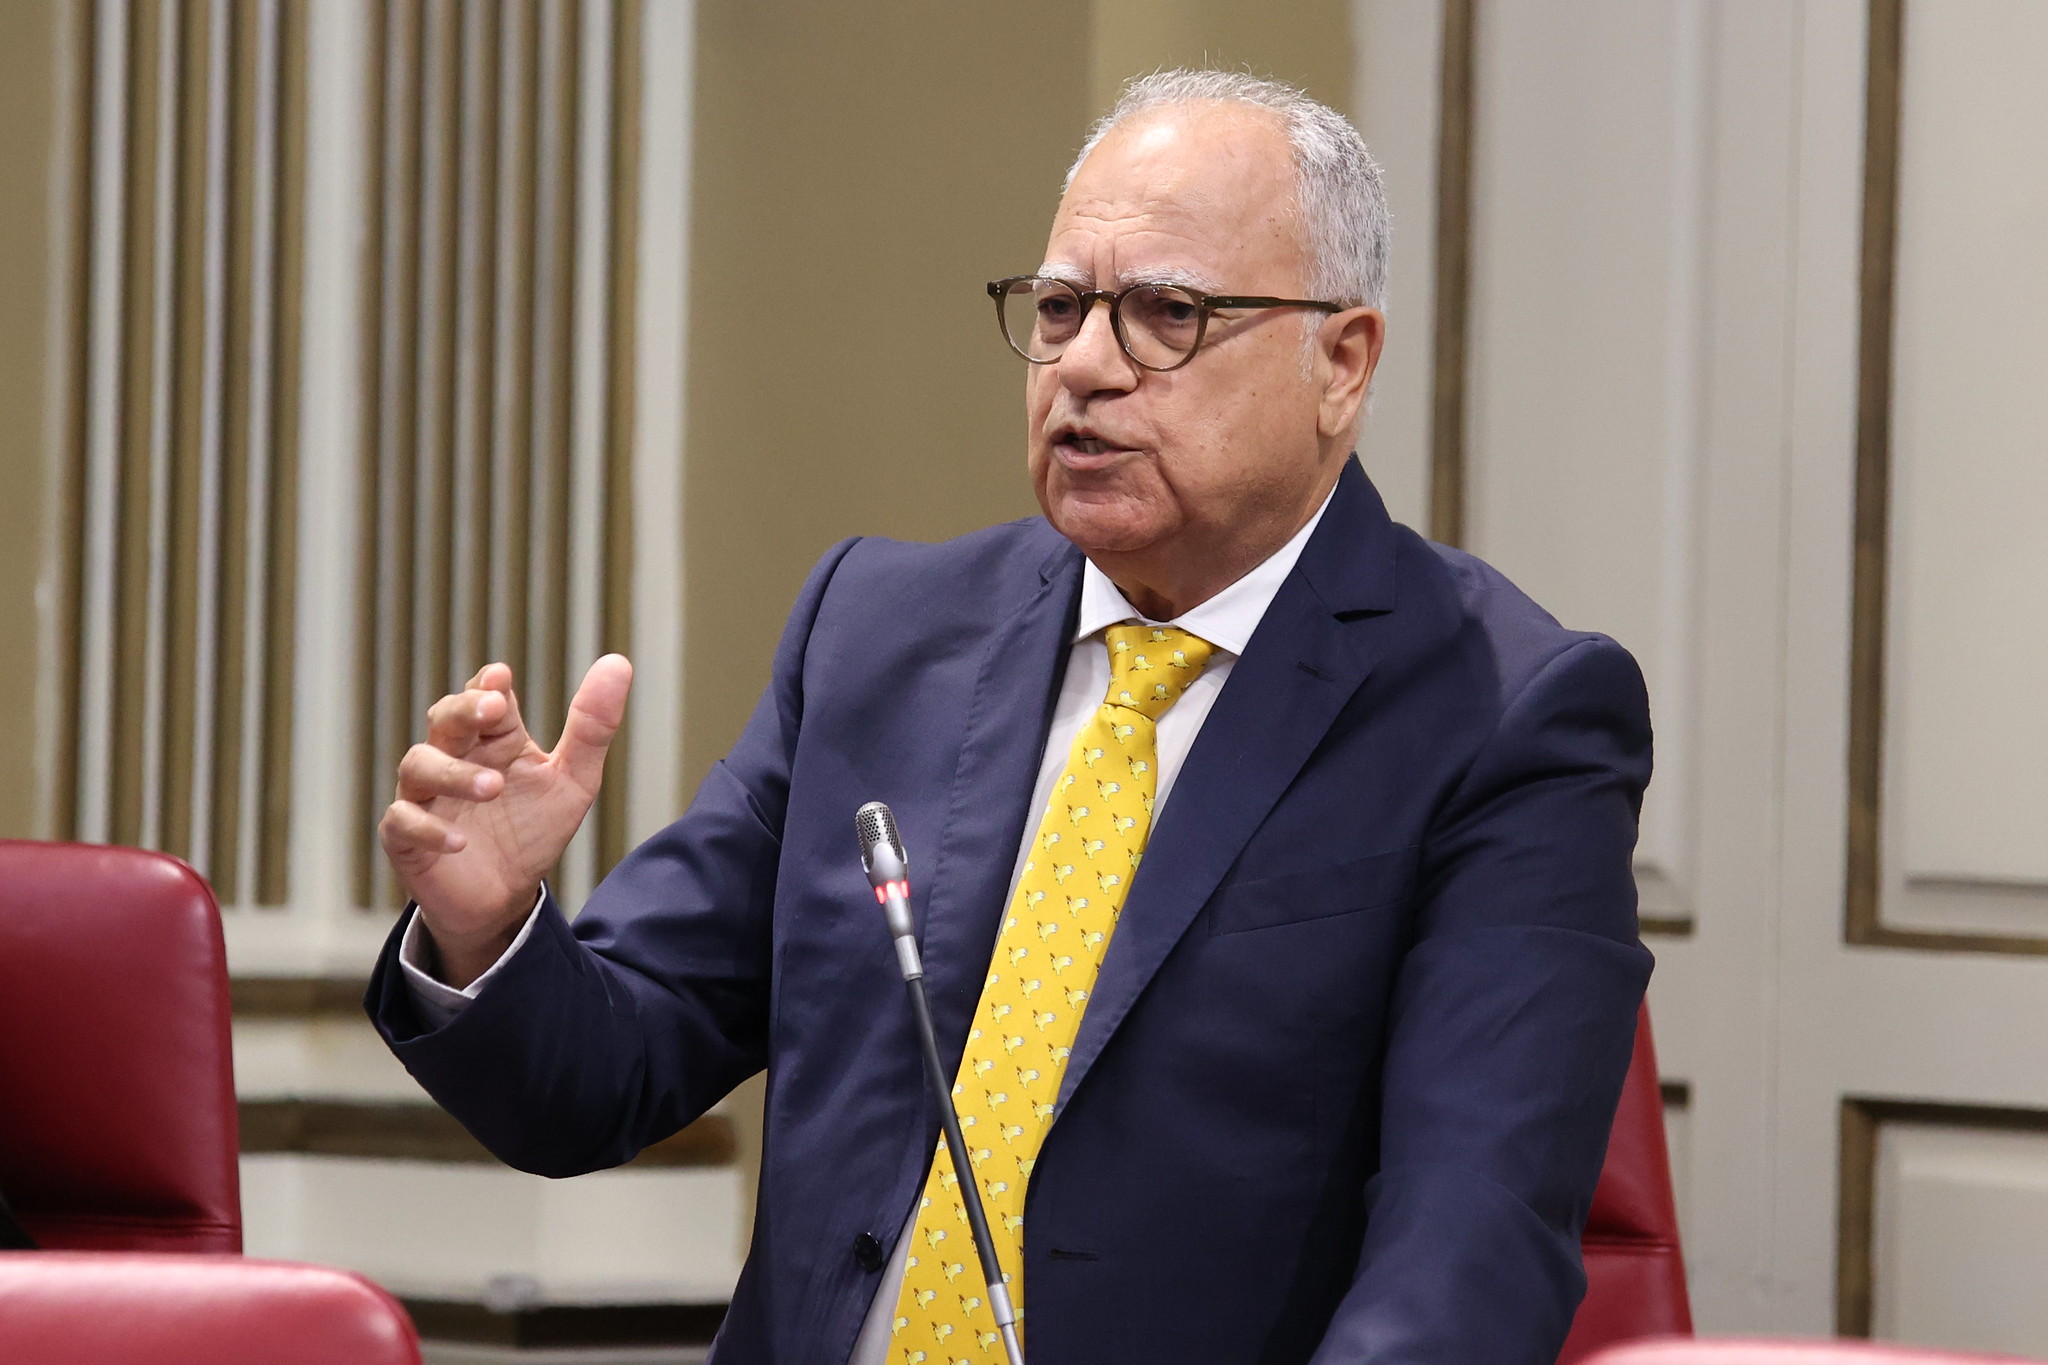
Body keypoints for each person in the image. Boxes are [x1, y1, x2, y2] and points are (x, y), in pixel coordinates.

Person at [368, 70, 1653, 1365]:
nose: (1085, 364)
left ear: (1342, 360)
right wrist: (488, 927)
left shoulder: (1506, 716)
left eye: (1167, 313)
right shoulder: (875, 629)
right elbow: (602, 1076)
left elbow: (1464, 1258)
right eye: (1059, 307)